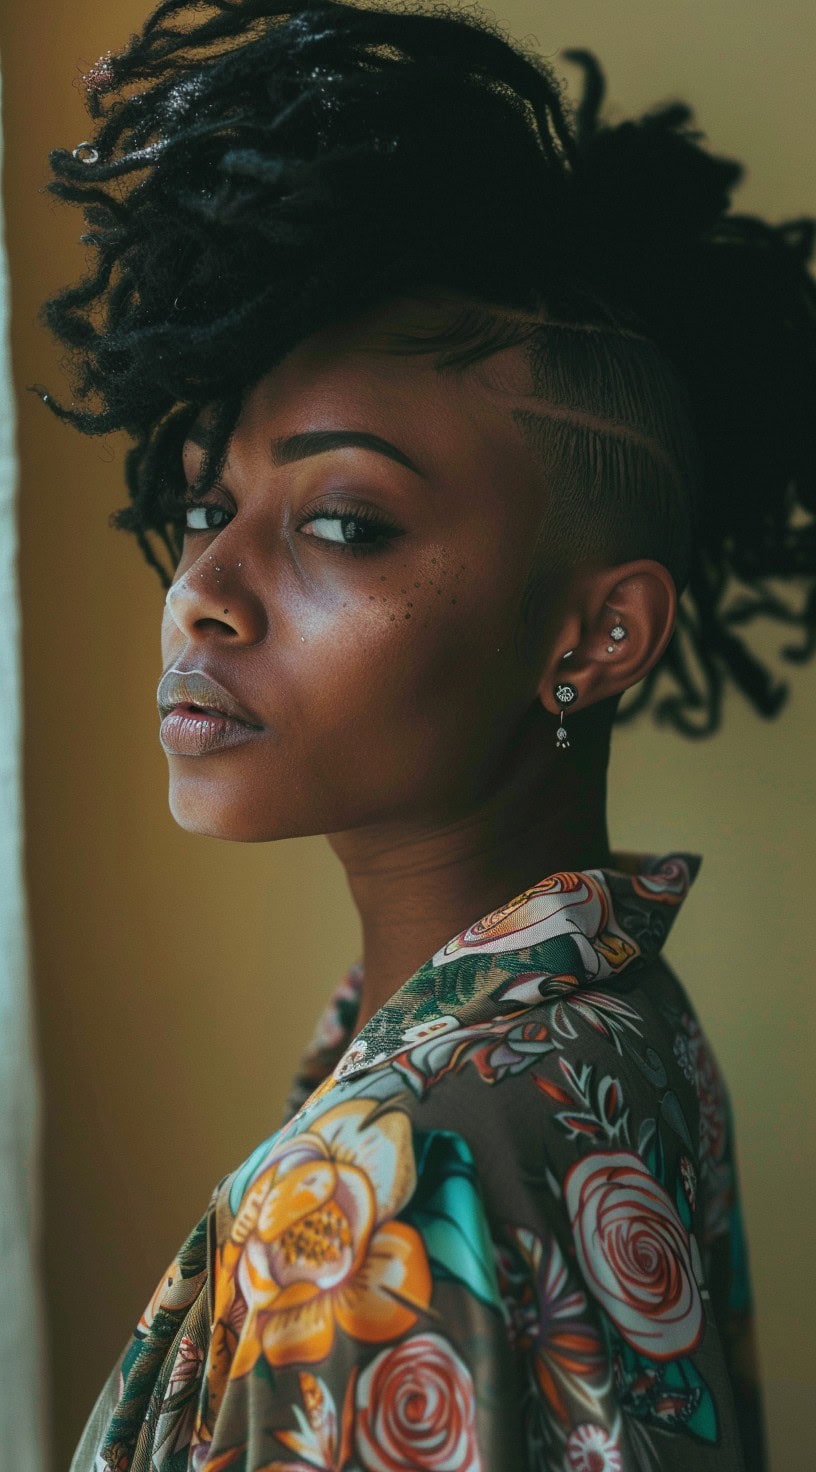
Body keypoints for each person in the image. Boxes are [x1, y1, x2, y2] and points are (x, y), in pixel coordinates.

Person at [38, 2, 816, 1468]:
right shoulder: (616, 1026)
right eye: (209, 506)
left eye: (343, 522)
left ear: (596, 637)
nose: (200, 591)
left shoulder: (384, 1184)